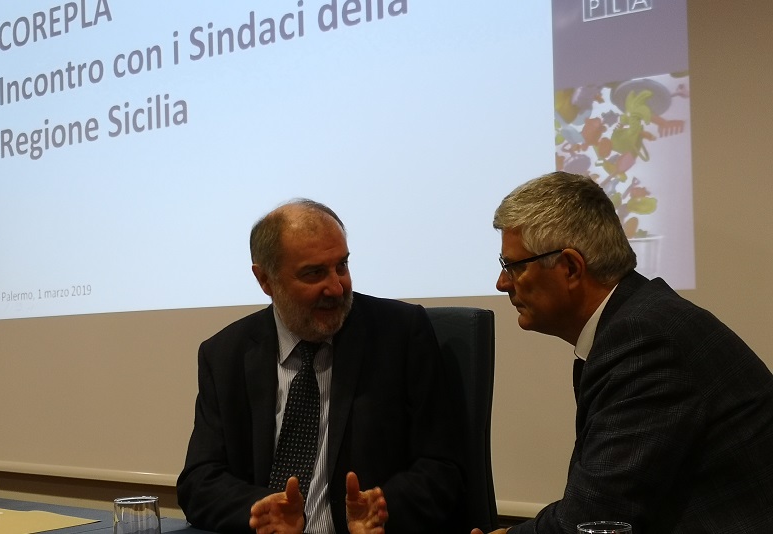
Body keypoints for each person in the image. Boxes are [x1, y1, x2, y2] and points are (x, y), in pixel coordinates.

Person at [476, 171, 773, 534]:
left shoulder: (644, 340)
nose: (502, 283)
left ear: (570, 268)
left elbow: (595, 517)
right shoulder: (641, 320)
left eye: (515, 266)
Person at [177, 199, 465, 534]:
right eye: (314, 273)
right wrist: (262, 509)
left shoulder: (400, 334)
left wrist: (384, 508)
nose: (336, 287)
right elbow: (200, 481)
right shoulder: (225, 354)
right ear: (265, 280)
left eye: (341, 266)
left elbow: (444, 467)